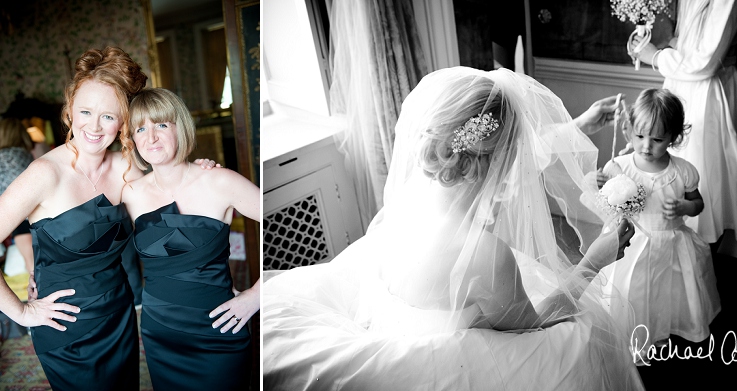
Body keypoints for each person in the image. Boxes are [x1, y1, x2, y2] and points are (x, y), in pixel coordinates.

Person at [264, 67, 643, 390]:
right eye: (513, 148)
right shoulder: (484, 254)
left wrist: (576, 126)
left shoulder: (407, 205)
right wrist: (592, 263)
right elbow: (534, 329)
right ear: (500, 159)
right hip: (441, 363)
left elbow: (508, 158)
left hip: (394, 325)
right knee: (588, 333)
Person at [0, 47, 219, 389]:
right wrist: (21, 312)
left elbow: (173, 196)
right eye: (86, 111)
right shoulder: (44, 174)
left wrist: (203, 173)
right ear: (70, 110)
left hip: (119, 311)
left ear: (123, 122)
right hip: (65, 327)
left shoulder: (126, 167)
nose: (94, 126)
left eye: (109, 115)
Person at [121, 88, 260, 390]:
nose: (151, 137)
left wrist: (258, 294)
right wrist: (40, 272)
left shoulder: (219, 181)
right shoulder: (130, 193)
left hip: (219, 332)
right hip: (161, 336)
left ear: (179, 126)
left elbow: (282, 220)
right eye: (140, 128)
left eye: (161, 125)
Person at [597, 88, 721, 362]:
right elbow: (607, 202)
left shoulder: (683, 171)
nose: (645, 146)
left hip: (671, 244)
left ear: (674, 138)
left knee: (666, 293)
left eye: (657, 139)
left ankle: (662, 330)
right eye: (639, 136)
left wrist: (685, 207)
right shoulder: (620, 166)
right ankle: (629, 333)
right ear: (629, 130)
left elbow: (698, 204)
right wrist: (604, 185)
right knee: (632, 291)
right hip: (630, 243)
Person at [629, 0, 737, 247]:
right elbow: (686, 38)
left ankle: (698, 268)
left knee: (705, 180)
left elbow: (706, 61)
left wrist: (655, 56)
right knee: (665, 173)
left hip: (707, 93)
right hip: (679, 83)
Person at [0, 118, 35, 278]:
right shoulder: (25, 155)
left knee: (31, 264)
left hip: (17, 214)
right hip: (36, 210)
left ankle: (39, 298)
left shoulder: (1, 157)